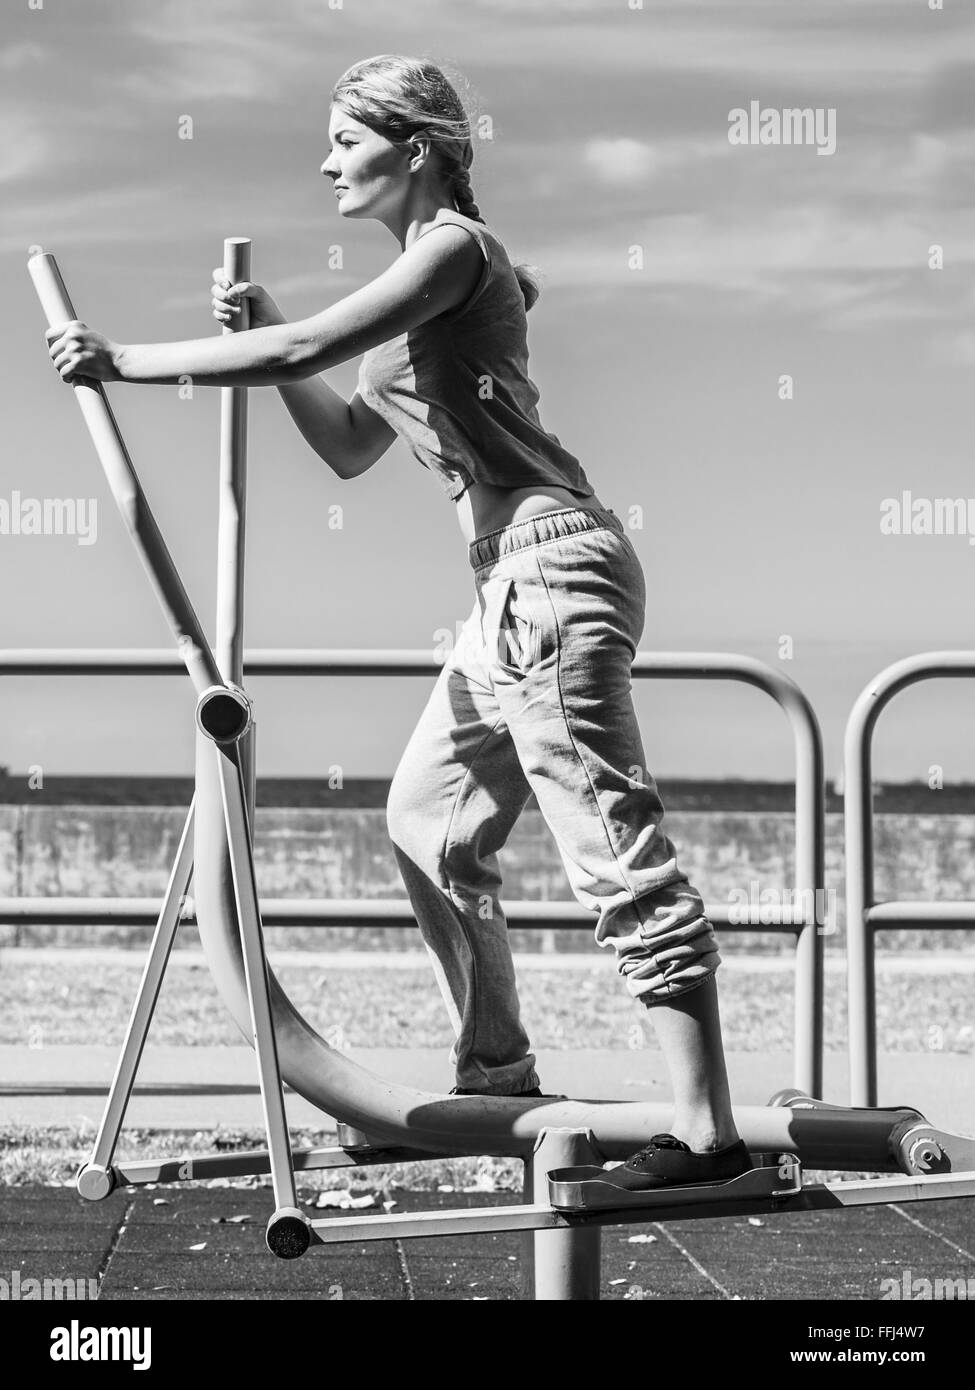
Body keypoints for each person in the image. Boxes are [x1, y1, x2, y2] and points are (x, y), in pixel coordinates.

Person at [44, 53, 750, 1191]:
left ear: (416, 148)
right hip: (502, 592)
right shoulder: (412, 306)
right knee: (426, 822)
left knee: (613, 854)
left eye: (344, 138)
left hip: (552, 571)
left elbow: (294, 349)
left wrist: (125, 361)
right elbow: (346, 442)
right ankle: (498, 1073)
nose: (324, 159)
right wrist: (274, 325)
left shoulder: (458, 252)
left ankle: (711, 1138)